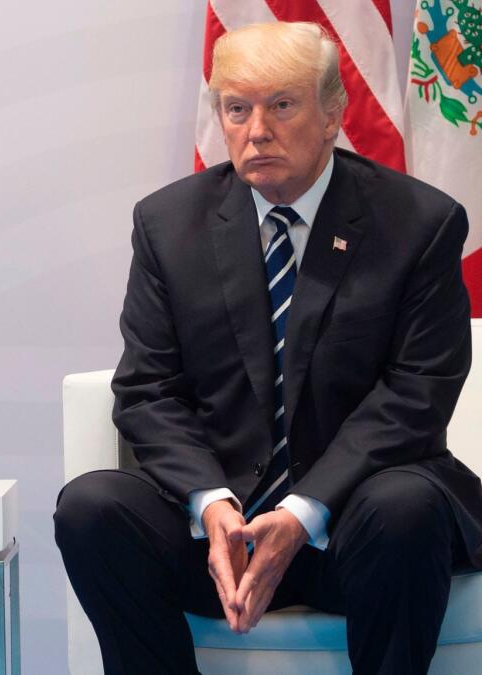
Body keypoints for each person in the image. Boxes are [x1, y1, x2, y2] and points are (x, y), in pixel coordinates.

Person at [55, 21, 482, 674]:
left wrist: (301, 510)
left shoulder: (418, 223)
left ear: (334, 111)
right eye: (237, 108)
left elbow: (417, 394)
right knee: (90, 507)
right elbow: (148, 391)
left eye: (282, 104)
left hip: (360, 528)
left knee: (406, 505)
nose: (257, 130)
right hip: (220, 538)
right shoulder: (169, 225)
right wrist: (211, 502)